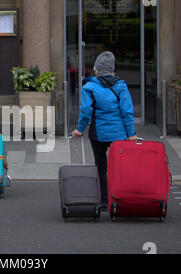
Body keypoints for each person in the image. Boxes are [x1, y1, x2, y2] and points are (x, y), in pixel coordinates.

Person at [71, 51, 138, 211]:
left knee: (100, 166)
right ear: (113, 70)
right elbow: (126, 111)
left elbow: (86, 111)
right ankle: (119, 198)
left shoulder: (89, 87)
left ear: (96, 70)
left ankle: (103, 201)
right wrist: (131, 133)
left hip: (98, 133)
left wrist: (80, 129)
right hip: (119, 134)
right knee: (119, 166)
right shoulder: (121, 86)